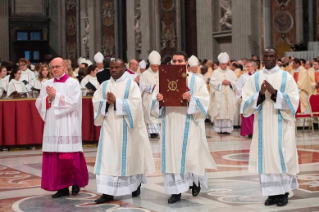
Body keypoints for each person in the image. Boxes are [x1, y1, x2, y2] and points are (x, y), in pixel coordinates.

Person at [152, 51, 216, 204]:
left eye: (180, 61)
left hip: (189, 123)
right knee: (172, 157)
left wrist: (192, 99)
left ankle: (195, 181)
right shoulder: (163, 79)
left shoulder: (196, 81)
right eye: (174, 61)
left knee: (190, 157)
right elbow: (153, 104)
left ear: (186, 63)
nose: (177, 64)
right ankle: (175, 191)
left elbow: (205, 101)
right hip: (169, 122)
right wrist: (159, 101)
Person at [92, 58, 155, 204]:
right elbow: (96, 102)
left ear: (124, 68)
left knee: (128, 158)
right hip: (108, 127)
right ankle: (107, 192)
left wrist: (117, 102)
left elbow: (136, 105)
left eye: (117, 67)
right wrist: (105, 103)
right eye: (111, 68)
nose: (113, 70)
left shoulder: (131, 85)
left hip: (127, 129)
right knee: (108, 159)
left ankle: (133, 186)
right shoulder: (104, 85)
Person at [242, 47, 299, 207]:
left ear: (276, 57)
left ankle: (283, 192)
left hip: (282, 124)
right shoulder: (255, 78)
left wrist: (275, 93)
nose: (268, 58)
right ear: (262, 58)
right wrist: (260, 94)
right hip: (263, 125)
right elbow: (246, 102)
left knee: (283, 156)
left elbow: (294, 101)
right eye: (265, 56)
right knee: (266, 157)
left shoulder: (286, 77)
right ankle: (271, 194)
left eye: (271, 56)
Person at [35, 57, 89, 198]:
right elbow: (39, 103)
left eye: (58, 66)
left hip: (68, 123)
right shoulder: (47, 83)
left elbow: (74, 103)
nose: (55, 70)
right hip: (53, 124)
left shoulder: (73, 83)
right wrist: (48, 99)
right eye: (53, 67)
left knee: (69, 156)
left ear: (64, 67)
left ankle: (76, 182)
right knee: (56, 157)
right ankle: (62, 187)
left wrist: (56, 96)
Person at [209, 52, 237, 134]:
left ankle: (227, 129)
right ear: (219, 64)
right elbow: (212, 82)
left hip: (229, 95)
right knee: (220, 111)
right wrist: (220, 82)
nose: (224, 66)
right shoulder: (215, 72)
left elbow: (236, 82)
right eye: (222, 64)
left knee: (228, 112)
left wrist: (230, 83)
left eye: (226, 64)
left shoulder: (231, 72)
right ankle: (219, 129)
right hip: (219, 96)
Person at [140, 51, 161, 138]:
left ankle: (158, 130)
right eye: (153, 66)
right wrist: (151, 87)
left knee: (159, 115)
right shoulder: (144, 74)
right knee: (150, 114)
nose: (156, 68)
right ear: (150, 65)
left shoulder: (162, 72)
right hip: (149, 97)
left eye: (157, 66)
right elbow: (141, 86)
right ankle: (153, 132)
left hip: (160, 97)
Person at [236, 61, 256, 137]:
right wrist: (241, 94)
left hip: (256, 98)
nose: (247, 68)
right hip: (246, 98)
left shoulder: (258, 75)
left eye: (249, 66)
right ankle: (249, 132)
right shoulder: (243, 76)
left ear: (254, 67)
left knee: (255, 115)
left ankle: (256, 131)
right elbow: (239, 86)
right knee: (247, 115)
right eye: (247, 66)